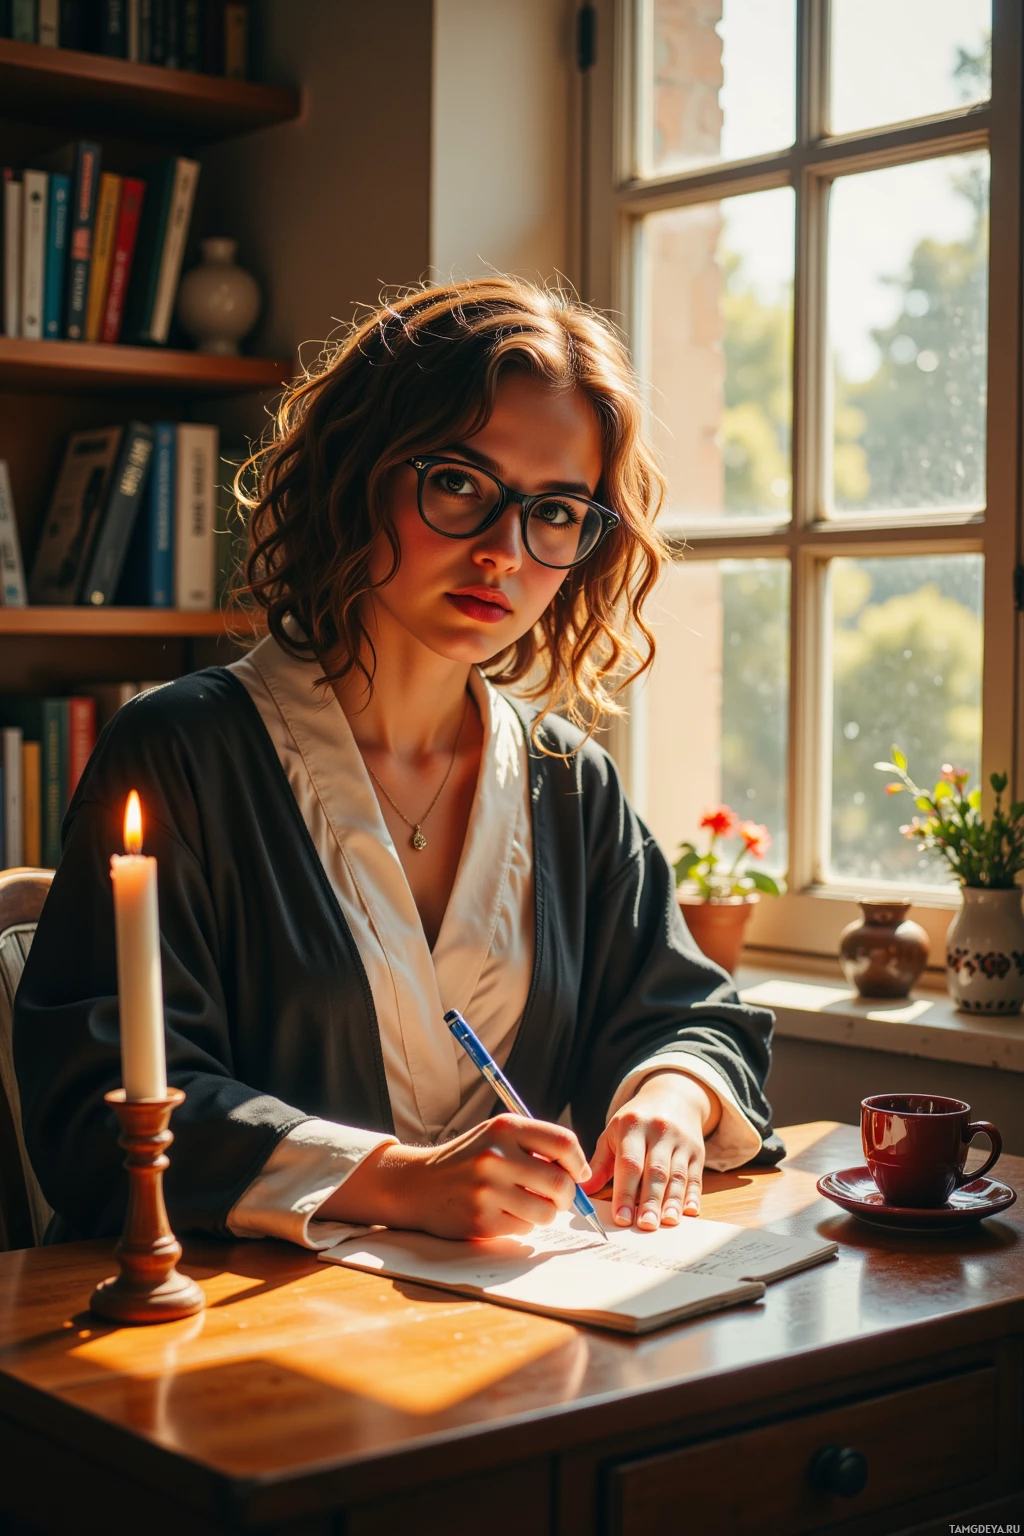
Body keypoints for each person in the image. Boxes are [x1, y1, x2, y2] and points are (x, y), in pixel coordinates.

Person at [15, 277, 780, 1251]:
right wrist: (398, 1182)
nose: (505, 550)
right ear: (356, 473)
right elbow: (95, 1105)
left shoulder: (567, 783)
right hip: (248, 1348)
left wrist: (673, 1097)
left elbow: (694, 1015)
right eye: (459, 482)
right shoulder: (181, 755)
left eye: (555, 510)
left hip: (521, 1341)